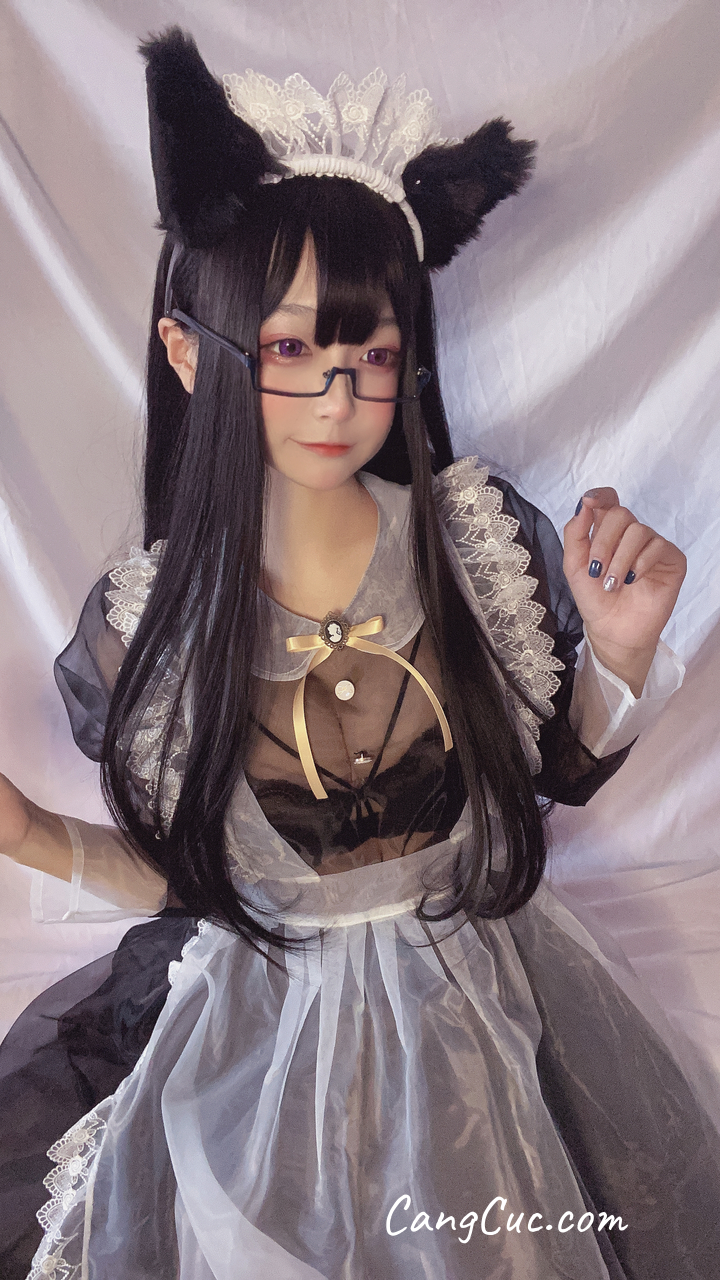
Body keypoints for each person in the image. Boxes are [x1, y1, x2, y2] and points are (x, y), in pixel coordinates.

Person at [0, 25, 718, 1280]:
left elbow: (544, 773)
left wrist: (614, 655)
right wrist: (31, 835)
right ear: (188, 351)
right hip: (263, 1036)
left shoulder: (468, 544)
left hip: (495, 1005)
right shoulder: (154, 620)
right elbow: (201, 881)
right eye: (290, 350)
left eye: (371, 355)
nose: (338, 398)